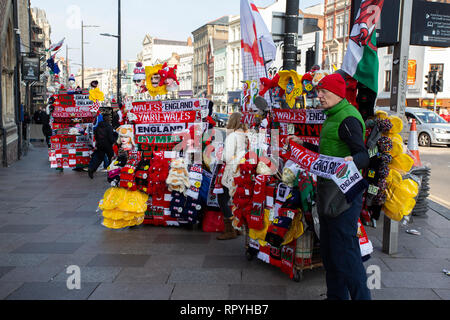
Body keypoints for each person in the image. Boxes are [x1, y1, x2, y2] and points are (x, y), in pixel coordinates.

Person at [288, 73, 371, 300]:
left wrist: (354, 161)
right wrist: (303, 144)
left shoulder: (347, 119)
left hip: (343, 197)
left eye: (323, 91)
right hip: (328, 194)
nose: (319, 96)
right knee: (330, 253)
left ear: (337, 93)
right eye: (318, 91)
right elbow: (327, 154)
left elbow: (363, 154)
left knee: (347, 254)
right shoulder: (332, 116)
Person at [216, 112, 248, 240]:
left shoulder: (232, 136)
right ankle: (237, 227)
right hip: (242, 171)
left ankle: (230, 230)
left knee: (222, 200)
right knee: (236, 201)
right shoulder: (246, 135)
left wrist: (219, 154)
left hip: (231, 171)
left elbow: (227, 156)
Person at [88, 114, 115, 179]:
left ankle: (92, 169)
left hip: (100, 145)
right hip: (108, 145)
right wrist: (114, 141)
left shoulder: (98, 126)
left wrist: (98, 142)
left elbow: (96, 136)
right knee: (111, 158)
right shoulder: (109, 127)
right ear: (108, 119)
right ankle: (110, 173)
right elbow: (111, 138)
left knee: (99, 159)